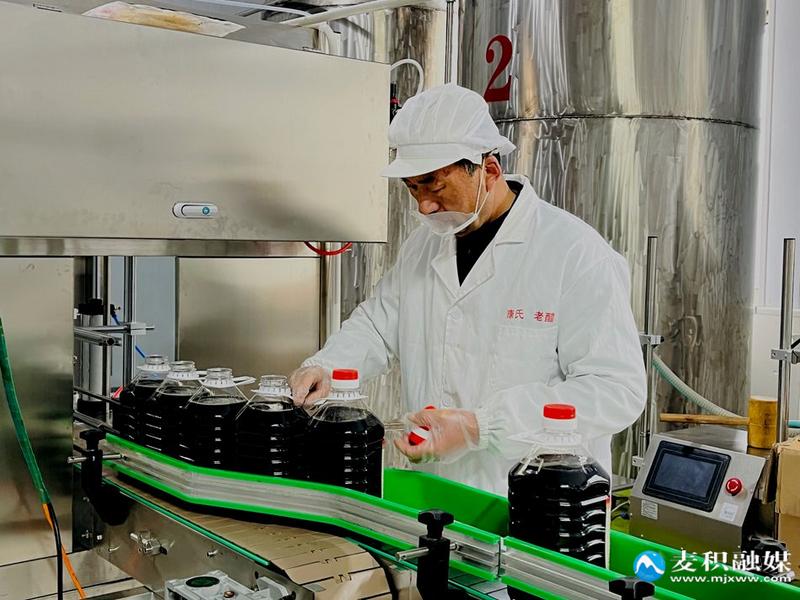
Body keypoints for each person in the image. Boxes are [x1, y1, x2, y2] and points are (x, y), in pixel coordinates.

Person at [290, 83, 646, 495]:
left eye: (434, 186)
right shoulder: (424, 245)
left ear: (488, 171)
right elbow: (378, 325)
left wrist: (482, 427)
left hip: (535, 501)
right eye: (413, 188)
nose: (423, 206)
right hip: (435, 495)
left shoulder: (574, 252)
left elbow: (615, 390)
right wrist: (327, 366)